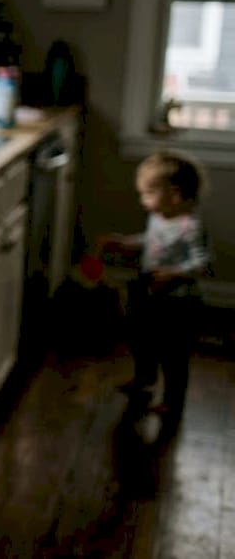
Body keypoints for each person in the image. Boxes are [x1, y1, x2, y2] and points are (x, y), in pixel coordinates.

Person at [100, 150, 210, 438]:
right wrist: (127, 243)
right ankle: (144, 378)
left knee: (174, 354)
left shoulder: (190, 227)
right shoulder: (159, 217)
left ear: (173, 195)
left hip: (178, 302)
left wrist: (176, 273)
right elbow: (151, 241)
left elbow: (201, 262)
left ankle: (173, 402)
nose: (143, 200)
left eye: (148, 193)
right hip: (149, 290)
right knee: (142, 337)